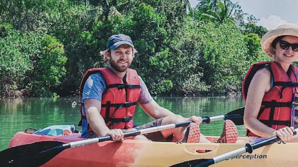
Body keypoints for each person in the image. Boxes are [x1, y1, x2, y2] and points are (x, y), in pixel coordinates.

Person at [79, 34, 238, 143]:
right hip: (99, 137)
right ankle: (189, 152)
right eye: (118, 52)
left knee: (178, 122)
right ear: (108, 55)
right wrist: (107, 133)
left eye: (127, 52)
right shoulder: (96, 80)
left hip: (128, 132)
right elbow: (92, 113)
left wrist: (183, 120)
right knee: (140, 140)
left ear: (133, 54)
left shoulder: (136, 80)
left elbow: (155, 110)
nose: (123, 56)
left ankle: (216, 147)